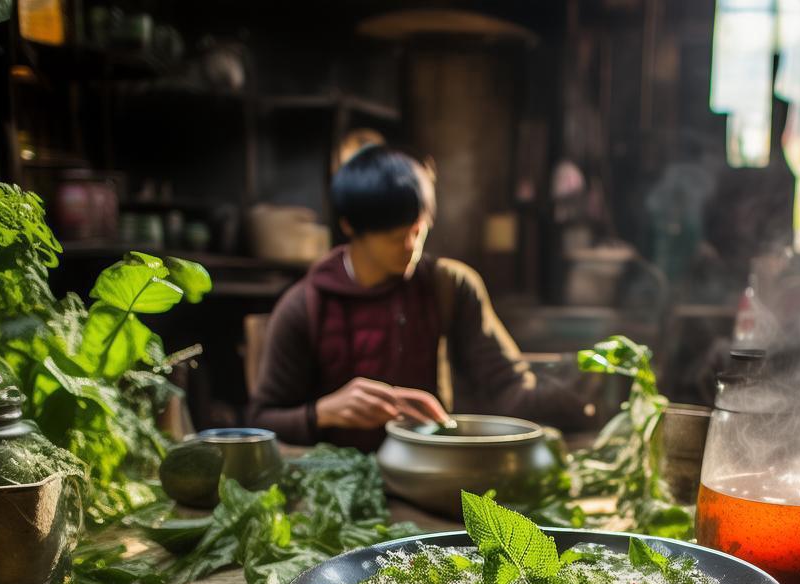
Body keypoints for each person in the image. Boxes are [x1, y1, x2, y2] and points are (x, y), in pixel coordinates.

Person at [249, 145, 589, 451]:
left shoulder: (448, 286)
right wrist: (322, 412)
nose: (411, 247)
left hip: (428, 469)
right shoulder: (304, 306)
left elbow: (506, 386)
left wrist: (581, 400)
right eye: (396, 237)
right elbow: (261, 419)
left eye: (418, 231)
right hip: (336, 484)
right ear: (350, 227)